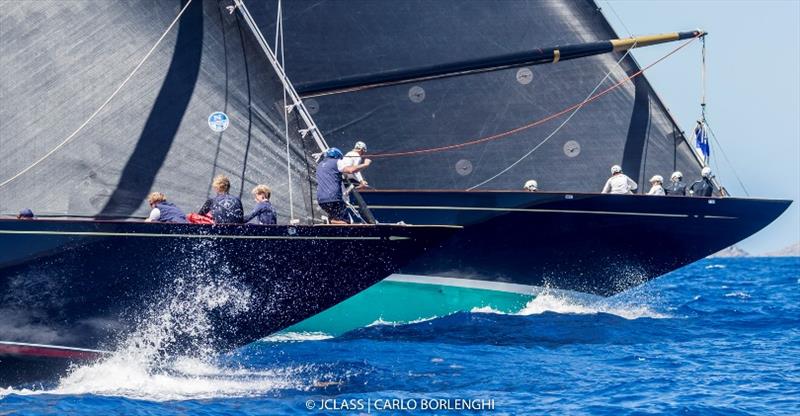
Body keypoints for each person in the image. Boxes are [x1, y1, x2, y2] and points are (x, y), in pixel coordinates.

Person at [316, 147, 371, 224]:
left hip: (321, 200)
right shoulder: (336, 162)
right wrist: (365, 164)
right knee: (347, 222)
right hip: (334, 199)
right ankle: (330, 221)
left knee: (336, 218)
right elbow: (350, 170)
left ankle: (331, 221)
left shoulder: (319, 165)